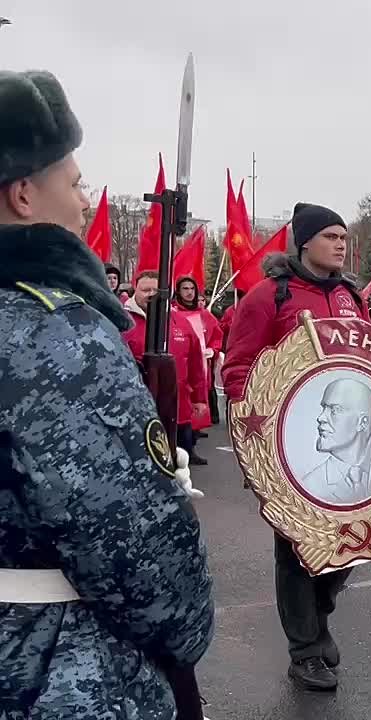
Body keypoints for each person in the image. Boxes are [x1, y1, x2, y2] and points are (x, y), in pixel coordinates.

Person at [0, 69, 212, 718]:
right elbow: (138, 550)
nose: (85, 200)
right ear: (24, 195)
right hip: (47, 670)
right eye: (74, 180)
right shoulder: (51, 329)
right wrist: (189, 626)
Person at [223, 202, 367, 690]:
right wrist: (257, 432)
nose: (341, 244)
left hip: (342, 444)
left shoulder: (351, 295)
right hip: (288, 447)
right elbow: (238, 367)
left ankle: (320, 616)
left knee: (343, 545)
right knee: (296, 547)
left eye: (344, 236)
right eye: (330, 236)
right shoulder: (270, 296)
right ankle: (304, 650)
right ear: (304, 242)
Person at [122, 271, 210, 466]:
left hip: (178, 408)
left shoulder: (180, 322)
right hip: (135, 408)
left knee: (179, 465)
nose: (151, 294)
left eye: (157, 290)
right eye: (146, 290)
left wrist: (199, 399)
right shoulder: (121, 321)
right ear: (134, 289)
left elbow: (196, 363)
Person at [173, 275, 223, 430]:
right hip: (181, 362)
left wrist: (213, 350)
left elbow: (217, 334)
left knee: (201, 392)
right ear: (178, 291)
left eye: (192, 288)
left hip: (202, 362)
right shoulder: (174, 313)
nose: (189, 292)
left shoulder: (204, 314)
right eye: (185, 289)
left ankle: (196, 428)